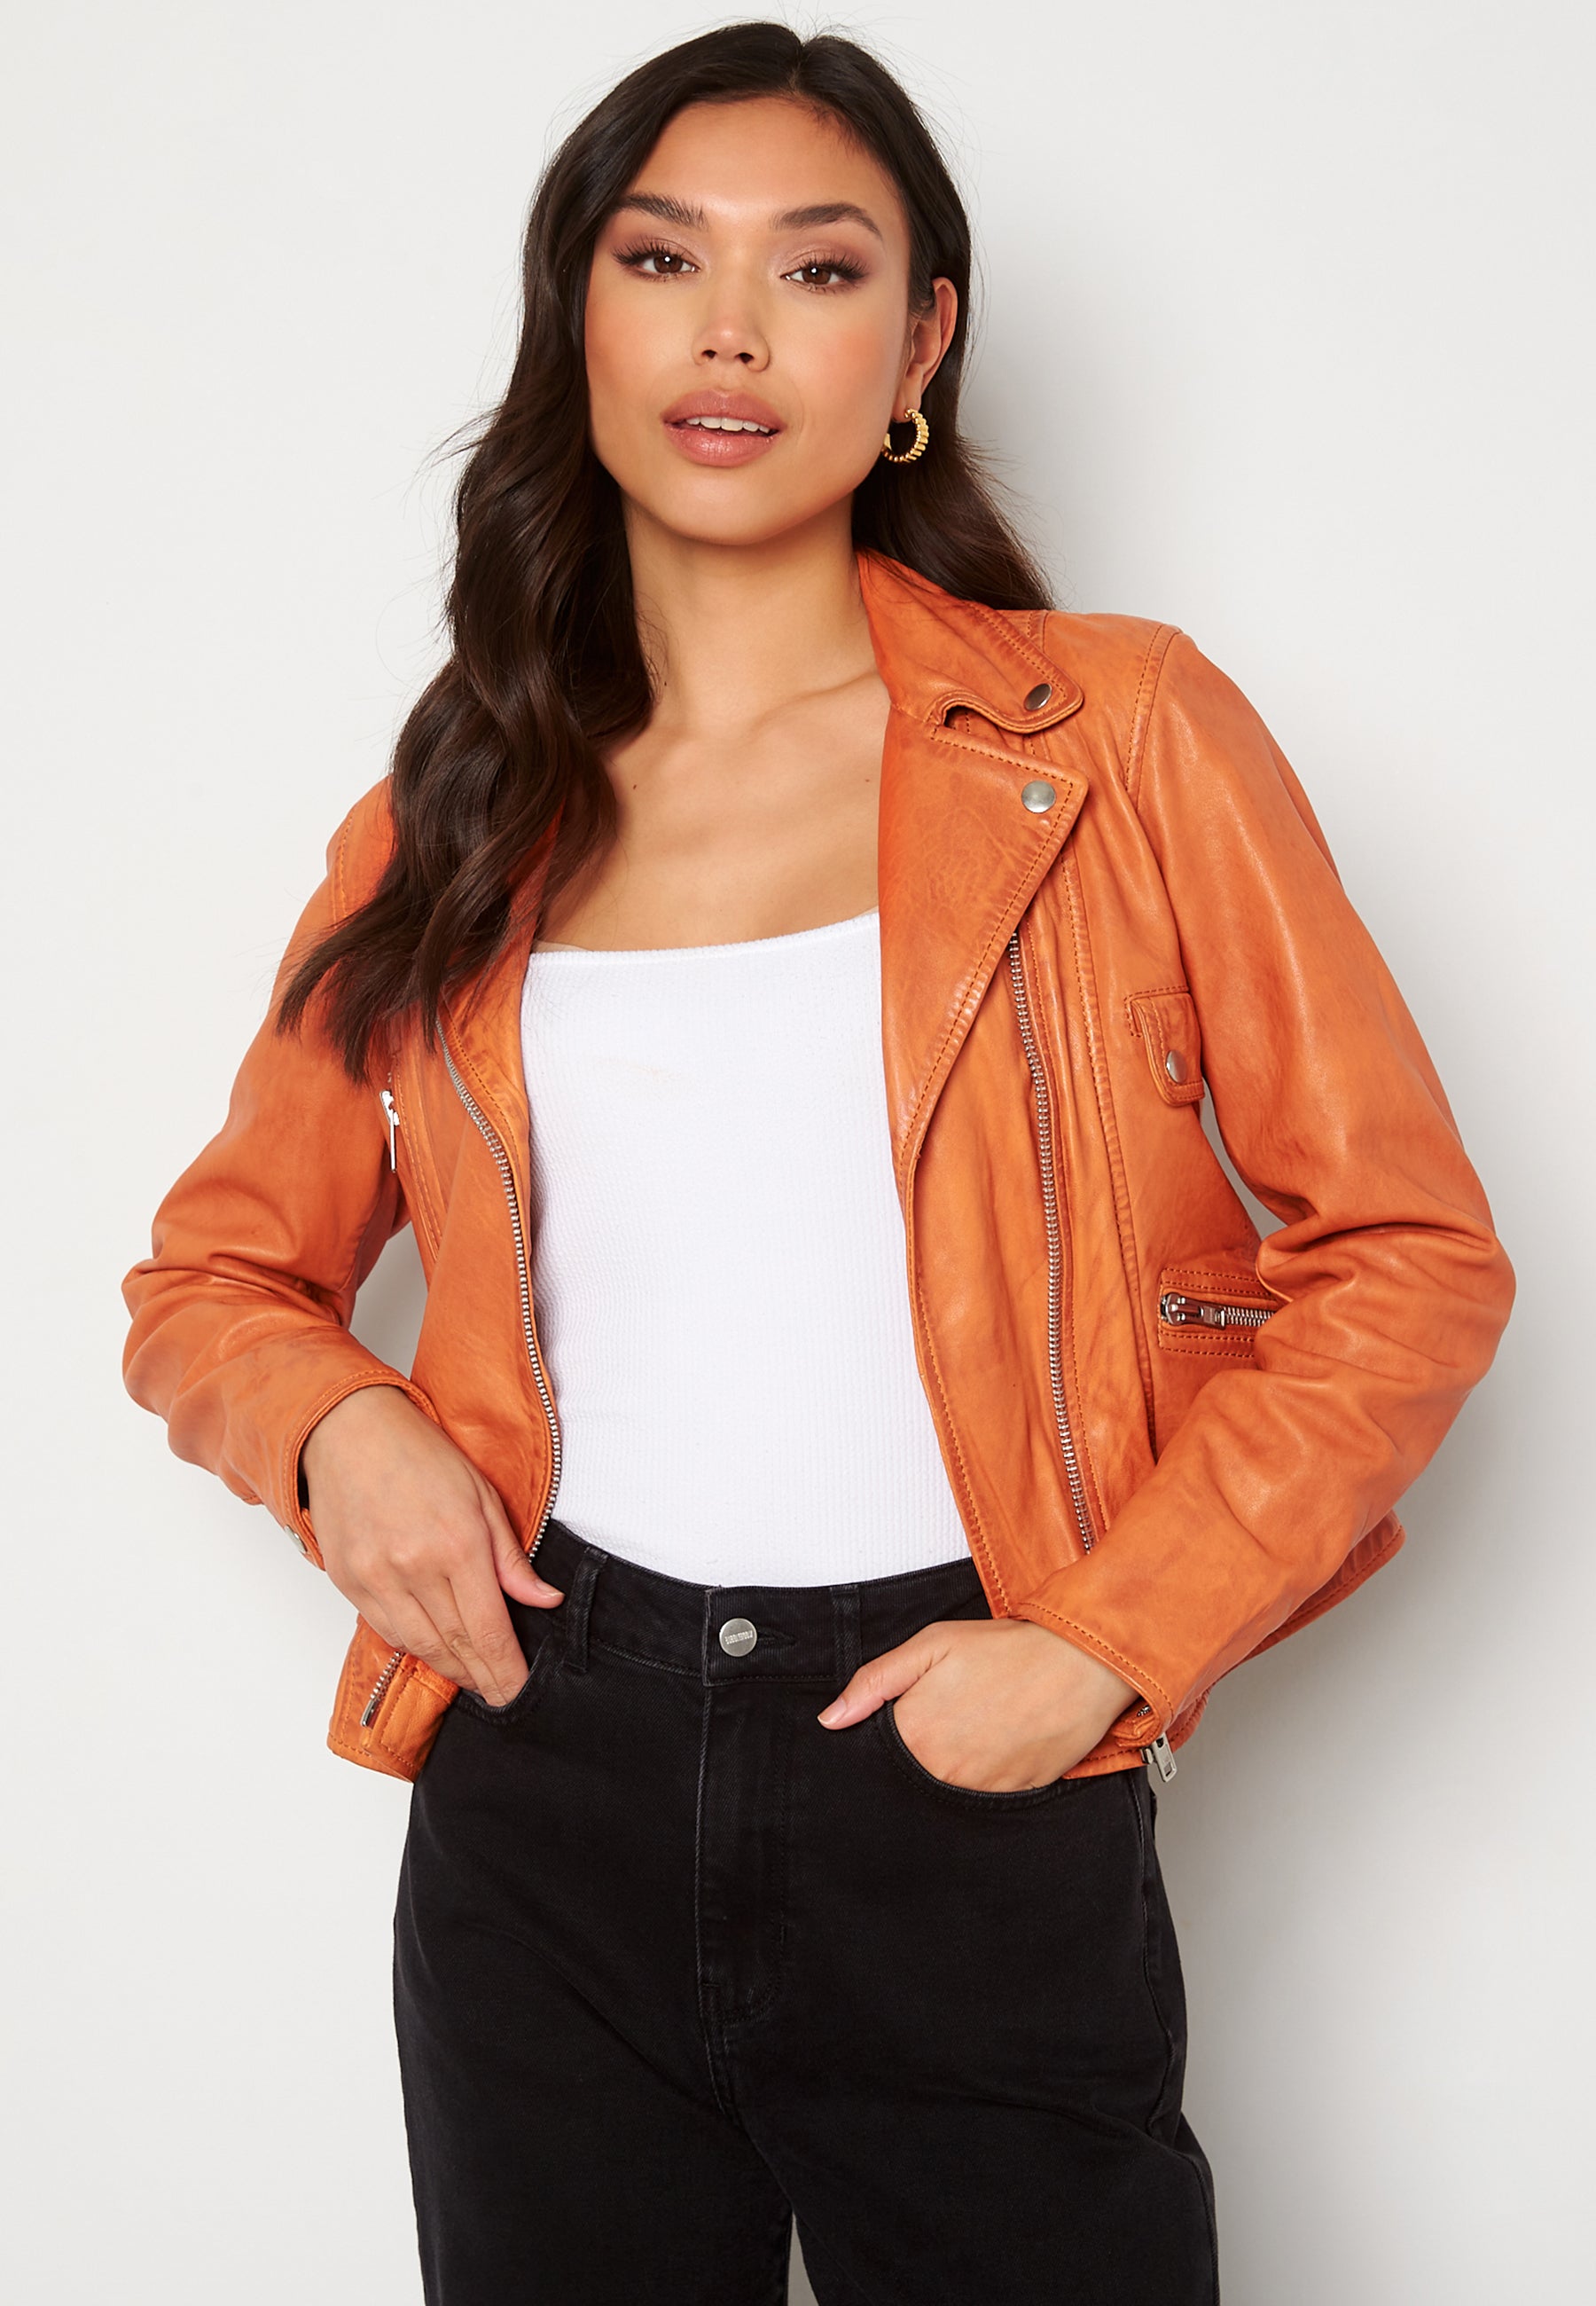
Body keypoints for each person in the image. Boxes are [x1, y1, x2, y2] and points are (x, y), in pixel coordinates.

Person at [121, 23, 1514, 2306]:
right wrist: (338, 1427)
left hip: (961, 1760)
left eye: (822, 266)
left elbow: (1410, 1257)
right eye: (662, 257)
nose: (735, 331)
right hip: (544, 1772)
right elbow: (212, 1280)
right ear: (580, 316)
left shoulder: (1118, 738)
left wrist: (1102, 1645)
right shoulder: (454, 811)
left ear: (919, 347)